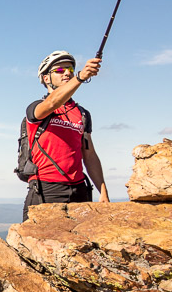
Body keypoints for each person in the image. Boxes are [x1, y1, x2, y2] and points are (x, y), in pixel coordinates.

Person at [23, 50, 109, 221]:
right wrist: (80, 77)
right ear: (46, 78)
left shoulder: (82, 114)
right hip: (46, 188)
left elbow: (89, 155)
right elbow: (53, 102)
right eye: (60, 70)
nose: (67, 73)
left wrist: (103, 192)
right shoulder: (37, 108)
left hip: (79, 189)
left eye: (69, 69)